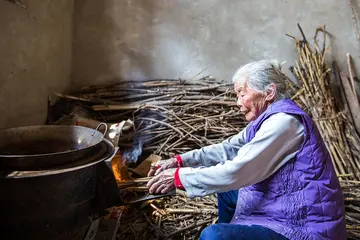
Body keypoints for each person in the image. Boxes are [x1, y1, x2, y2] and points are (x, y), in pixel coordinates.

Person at [146, 60, 346, 240]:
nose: (238, 102)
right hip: (278, 205)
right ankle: (235, 231)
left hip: (303, 224)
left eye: (242, 93)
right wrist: (180, 161)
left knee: (213, 236)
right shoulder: (266, 121)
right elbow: (229, 148)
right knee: (228, 193)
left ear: (269, 93)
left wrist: (180, 177)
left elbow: (238, 171)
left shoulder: (284, 124)